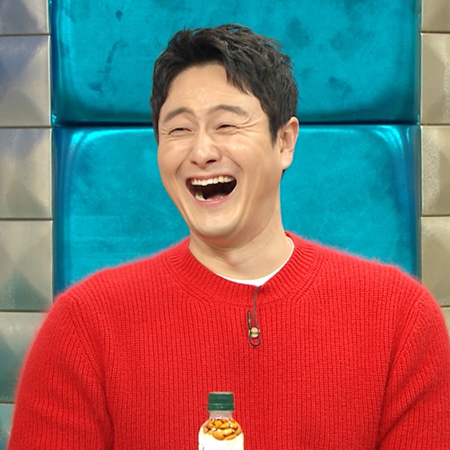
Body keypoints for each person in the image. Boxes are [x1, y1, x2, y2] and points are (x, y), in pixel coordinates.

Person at [8, 24, 450, 449]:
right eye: (179, 130)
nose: (201, 152)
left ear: (284, 142)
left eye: (227, 126)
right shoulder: (83, 327)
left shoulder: (401, 320)